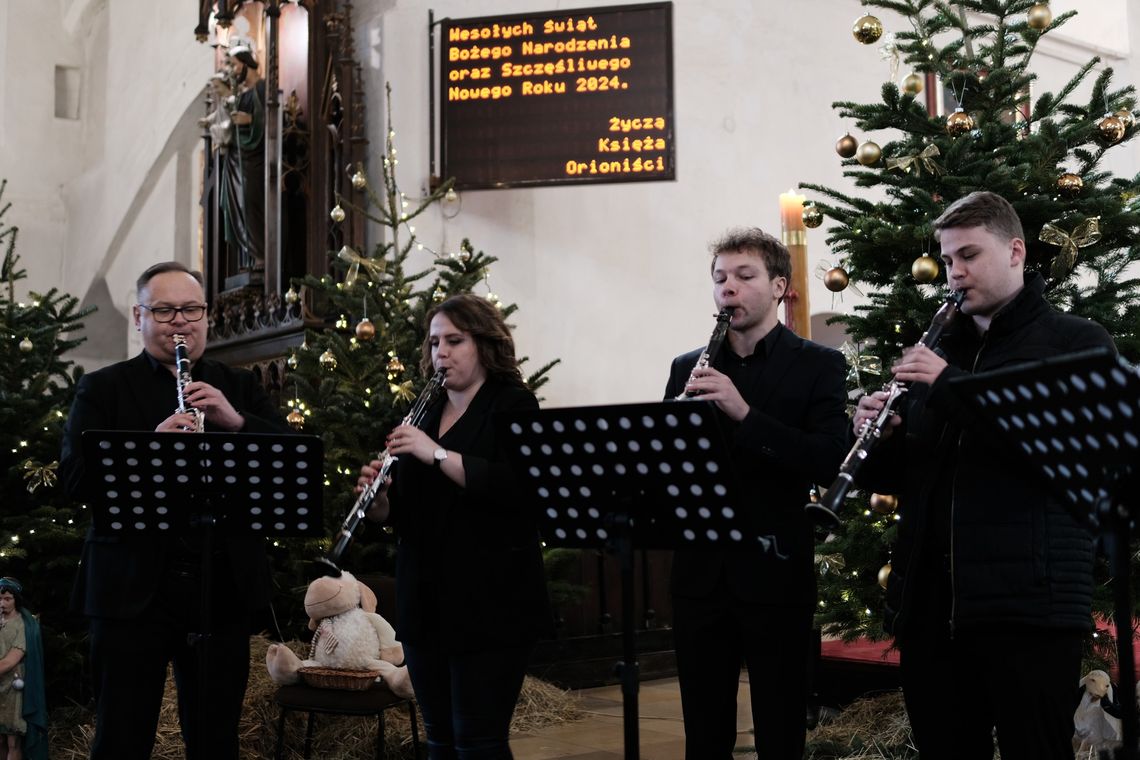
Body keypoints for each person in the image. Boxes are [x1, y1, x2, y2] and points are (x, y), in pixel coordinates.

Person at [852, 191, 1115, 760]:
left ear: (1016, 251)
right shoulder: (939, 349)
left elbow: (1061, 451)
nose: (956, 273)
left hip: (1030, 608)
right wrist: (876, 438)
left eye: (969, 255)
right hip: (933, 611)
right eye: (948, 261)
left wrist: (949, 388)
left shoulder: (1077, 341)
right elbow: (913, 477)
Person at [60, 261, 291, 760]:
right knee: (122, 736)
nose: (180, 322)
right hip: (130, 589)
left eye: (191, 309)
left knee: (215, 738)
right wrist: (150, 446)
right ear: (139, 318)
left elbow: (292, 456)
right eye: (164, 311)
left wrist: (233, 420)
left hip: (219, 585)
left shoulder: (240, 387)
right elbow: (74, 479)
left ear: (206, 316)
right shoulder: (102, 389)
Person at [663, 227, 848, 759]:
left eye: (744, 277)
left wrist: (743, 413)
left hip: (774, 566)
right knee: (703, 725)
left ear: (778, 287)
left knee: (779, 721)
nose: (729, 289)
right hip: (701, 571)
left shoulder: (818, 363)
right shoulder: (688, 367)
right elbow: (671, 468)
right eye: (720, 278)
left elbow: (826, 457)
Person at [359, 293, 552, 759]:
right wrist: (381, 502)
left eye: (454, 340)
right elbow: (407, 512)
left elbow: (516, 488)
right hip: (425, 598)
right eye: (433, 343)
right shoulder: (424, 410)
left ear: (485, 344)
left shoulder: (514, 405)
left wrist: (436, 453)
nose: (440, 353)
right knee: (441, 740)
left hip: (491, 600)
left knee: (479, 742)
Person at [221, 41, 266, 272]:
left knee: (249, 201)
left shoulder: (263, 88)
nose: (234, 70)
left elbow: (276, 120)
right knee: (235, 204)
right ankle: (249, 256)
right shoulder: (243, 94)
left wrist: (249, 120)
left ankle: (260, 253)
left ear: (247, 64)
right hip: (237, 159)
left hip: (254, 158)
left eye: (236, 65)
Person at [0, 578, 47, 760]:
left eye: (7, 599)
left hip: (13, 688)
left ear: (16, 600)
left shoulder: (23, 625)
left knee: (13, 741)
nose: (1, 603)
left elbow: (11, 661)